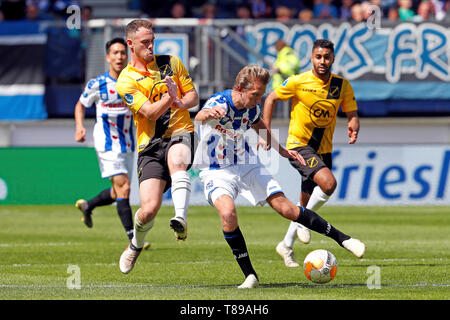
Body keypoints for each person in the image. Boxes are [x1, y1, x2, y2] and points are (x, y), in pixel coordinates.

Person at [193, 65, 365, 288]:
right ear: (240, 88)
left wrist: (282, 151)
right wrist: (207, 114)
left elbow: (259, 125)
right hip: (216, 170)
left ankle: (344, 239)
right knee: (227, 214)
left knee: (287, 209)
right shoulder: (220, 103)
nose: (258, 100)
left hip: (247, 164)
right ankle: (250, 276)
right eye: (255, 95)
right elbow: (198, 116)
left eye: (261, 95)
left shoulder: (251, 108)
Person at [263, 39, 361, 267]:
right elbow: (271, 98)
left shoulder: (341, 85)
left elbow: (351, 111)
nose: (323, 61)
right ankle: (300, 226)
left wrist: (354, 122)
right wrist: (266, 132)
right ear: (312, 58)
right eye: (318, 57)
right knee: (328, 184)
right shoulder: (298, 81)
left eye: (327, 57)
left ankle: (286, 245)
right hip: (299, 146)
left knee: (303, 206)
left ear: (333, 58)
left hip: (323, 149)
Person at [116, 19, 199, 274]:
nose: (151, 46)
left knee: (178, 161)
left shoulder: (171, 62)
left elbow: (193, 96)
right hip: (150, 145)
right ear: (131, 44)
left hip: (181, 132)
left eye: (153, 41)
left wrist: (181, 103)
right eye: (145, 42)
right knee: (148, 210)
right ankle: (135, 246)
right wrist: (170, 97)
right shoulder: (126, 80)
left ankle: (181, 219)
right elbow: (150, 113)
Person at [74, 38, 149, 249]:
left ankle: (88, 205)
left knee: (117, 193)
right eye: (115, 53)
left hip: (128, 144)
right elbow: (80, 105)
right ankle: (133, 240)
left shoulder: (135, 83)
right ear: (108, 57)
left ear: (128, 57)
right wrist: (80, 126)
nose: (119, 56)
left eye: (123, 53)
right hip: (106, 144)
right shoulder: (97, 84)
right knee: (124, 187)